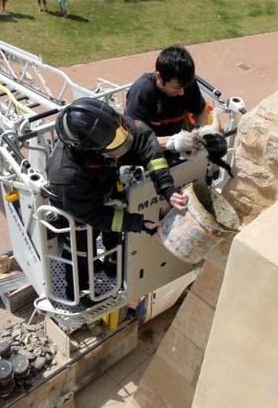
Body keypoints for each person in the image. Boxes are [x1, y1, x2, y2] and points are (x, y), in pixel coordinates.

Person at [47, 98, 188, 300]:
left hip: (104, 189)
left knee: (113, 236)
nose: (121, 147)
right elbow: (95, 215)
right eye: (113, 145)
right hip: (78, 212)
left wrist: (166, 187)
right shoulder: (67, 175)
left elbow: (145, 140)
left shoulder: (110, 128)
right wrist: (139, 223)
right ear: (88, 149)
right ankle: (78, 292)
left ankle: (111, 264)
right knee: (80, 252)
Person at [125, 45, 209, 153]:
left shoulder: (186, 84)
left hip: (176, 148)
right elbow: (134, 139)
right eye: (176, 88)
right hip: (149, 152)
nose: (182, 92)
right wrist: (172, 142)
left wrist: (199, 132)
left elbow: (200, 110)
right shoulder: (142, 93)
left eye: (184, 87)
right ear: (159, 77)